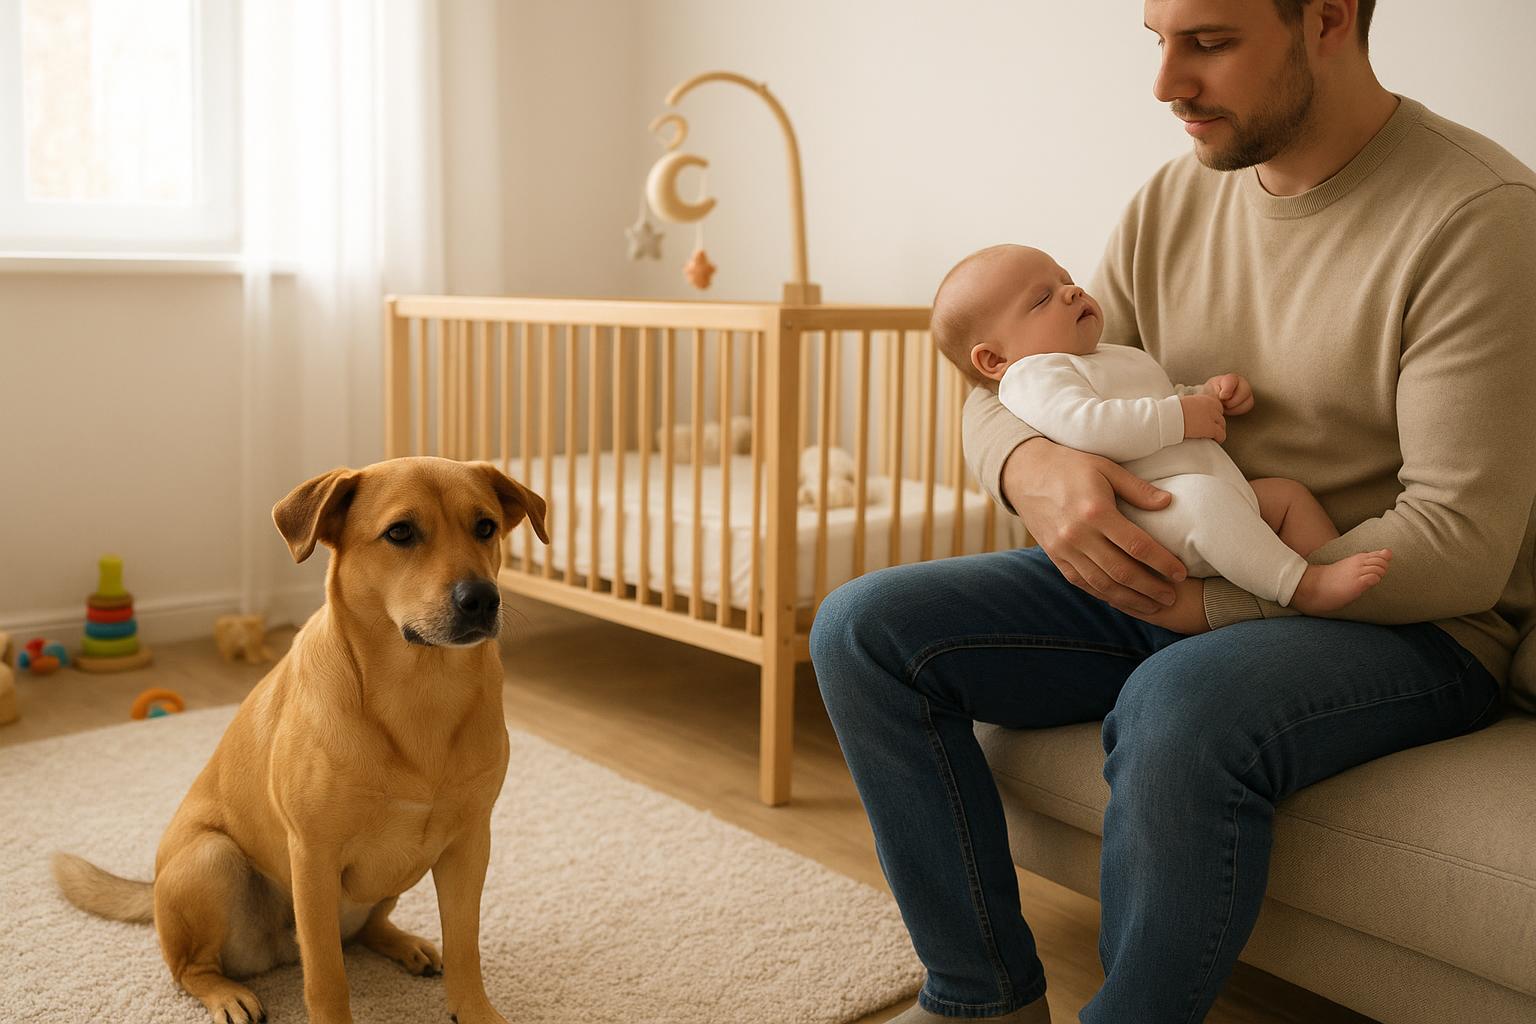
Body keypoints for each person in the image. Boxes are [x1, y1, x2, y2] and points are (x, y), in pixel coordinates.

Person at [809, 1, 1536, 1022]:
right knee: (861, 628)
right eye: (1158, 39)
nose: (1164, 84)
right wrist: (1028, 468)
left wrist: (1217, 610)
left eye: (1208, 41)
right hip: (1177, 559)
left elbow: (1459, 546)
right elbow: (1014, 379)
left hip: (1403, 621)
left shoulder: (1480, 215)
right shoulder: (1176, 199)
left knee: (1176, 705)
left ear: (1326, 18)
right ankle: (980, 998)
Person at [931, 241, 1393, 614]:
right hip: (1155, 515)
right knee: (1208, 504)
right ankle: (1302, 586)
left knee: (1287, 495)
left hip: (1216, 494)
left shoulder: (1111, 355)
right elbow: (1090, 427)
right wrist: (1181, 415)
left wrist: (1208, 395)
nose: (1071, 292)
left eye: (1066, 280)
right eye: (1041, 299)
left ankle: (1336, 590)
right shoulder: (1033, 377)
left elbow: (1156, 393)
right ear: (995, 360)